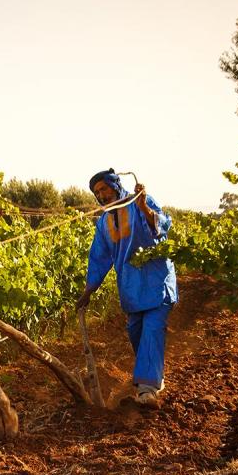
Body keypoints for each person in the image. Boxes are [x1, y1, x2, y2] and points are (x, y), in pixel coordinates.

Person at [75, 169, 178, 406]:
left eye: (104, 189)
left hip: (156, 282)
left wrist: (143, 207)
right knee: (136, 334)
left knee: (152, 330)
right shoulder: (103, 223)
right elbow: (99, 259)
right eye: (97, 192)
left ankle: (147, 389)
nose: (101, 195)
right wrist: (88, 291)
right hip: (131, 289)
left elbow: (162, 227)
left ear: (115, 185)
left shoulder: (140, 202)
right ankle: (153, 377)